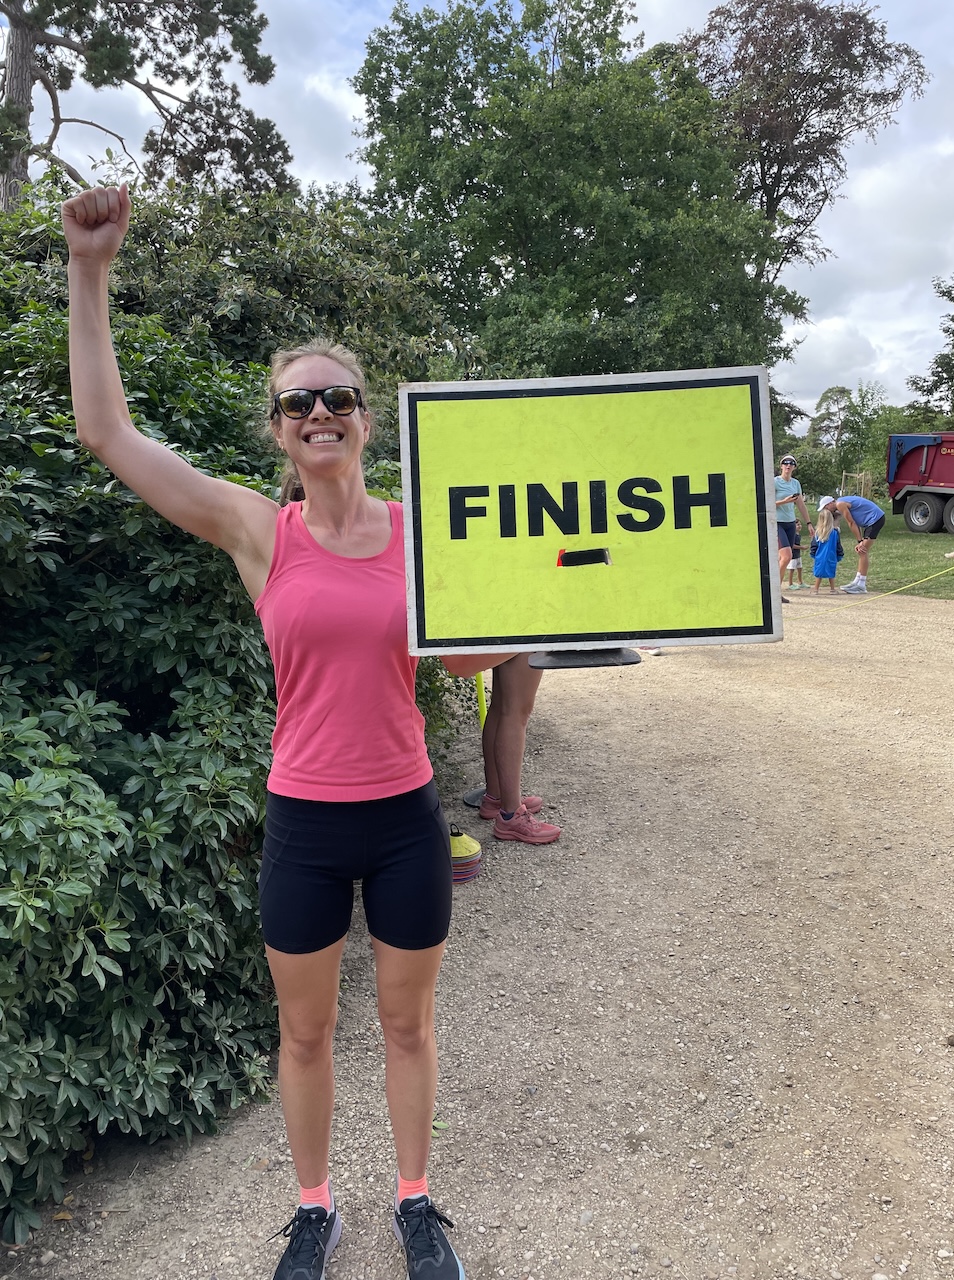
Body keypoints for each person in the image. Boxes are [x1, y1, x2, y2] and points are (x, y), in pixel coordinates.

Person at [62, 184, 504, 1280]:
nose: (319, 412)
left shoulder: (425, 531)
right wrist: (90, 269)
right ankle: (314, 1208)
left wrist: (512, 636)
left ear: (366, 413)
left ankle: (414, 1198)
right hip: (304, 819)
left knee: (408, 1024)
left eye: (338, 396)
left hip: (405, 815)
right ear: (276, 427)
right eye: (298, 400)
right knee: (305, 1034)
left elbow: (463, 656)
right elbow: (105, 432)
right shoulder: (259, 531)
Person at [478, 654, 560, 845]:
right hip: (523, 625)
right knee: (517, 710)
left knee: (502, 705)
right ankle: (510, 814)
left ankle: (496, 797)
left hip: (500, 625)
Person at [823, 494, 886, 593]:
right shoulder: (841, 502)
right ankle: (857, 581)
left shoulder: (840, 504)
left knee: (862, 551)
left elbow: (851, 522)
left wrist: (860, 541)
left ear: (830, 503)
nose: (827, 510)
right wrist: (860, 540)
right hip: (872, 521)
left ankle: (861, 585)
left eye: (826, 507)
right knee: (861, 552)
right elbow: (856, 519)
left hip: (875, 520)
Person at [774, 455, 815, 604]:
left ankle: (775, 591)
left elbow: (801, 505)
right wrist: (784, 501)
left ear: (794, 467)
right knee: (786, 556)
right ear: (781, 466)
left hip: (790, 523)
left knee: (783, 558)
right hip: (777, 523)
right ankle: (774, 592)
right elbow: (767, 503)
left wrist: (809, 523)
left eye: (791, 463)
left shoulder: (795, 483)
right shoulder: (775, 482)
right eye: (785, 463)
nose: (788, 465)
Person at [809, 496, 842, 594]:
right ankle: (832, 589)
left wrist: (813, 554)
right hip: (832, 556)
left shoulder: (817, 533)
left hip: (820, 557)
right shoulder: (835, 533)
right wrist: (840, 554)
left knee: (819, 573)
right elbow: (838, 545)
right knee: (831, 573)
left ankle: (816, 589)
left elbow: (814, 546)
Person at [786, 519, 807, 589]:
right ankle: (790, 584)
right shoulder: (793, 535)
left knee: (799, 568)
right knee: (791, 569)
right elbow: (792, 545)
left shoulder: (798, 535)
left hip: (798, 555)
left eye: (800, 524)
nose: (800, 526)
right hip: (793, 555)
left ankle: (800, 582)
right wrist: (801, 547)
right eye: (798, 525)